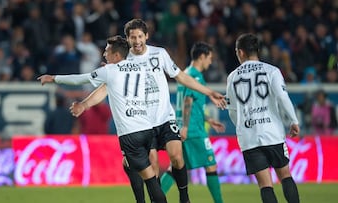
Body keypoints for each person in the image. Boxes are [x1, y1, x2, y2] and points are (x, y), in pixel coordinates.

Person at [70, 19, 226, 203]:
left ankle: (184, 197)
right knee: (153, 163)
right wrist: (85, 104)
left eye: (140, 36)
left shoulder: (159, 54)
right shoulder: (123, 60)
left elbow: (181, 76)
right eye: (132, 37)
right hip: (143, 122)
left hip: (165, 117)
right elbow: (105, 88)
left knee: (176, 156)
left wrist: (209, 92)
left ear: (146, 36)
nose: (136, 41)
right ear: (127, 39)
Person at [38, 35, 167, 203]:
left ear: (116, 55)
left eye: (107, 51)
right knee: (129, 164)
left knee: (150, 179)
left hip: (130, 133)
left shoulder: (110, 71)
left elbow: (80, 79)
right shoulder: (141, 68)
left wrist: (53, 78)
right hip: (147, 128)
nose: (104, 54)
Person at [226, 33, 300, 203]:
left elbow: (232, 110)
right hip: (272, 132)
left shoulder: (232, 77)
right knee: (285, 175)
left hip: (249, 137)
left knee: (265, 184)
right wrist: (293, 120)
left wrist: (242, 127)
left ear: (241, 52)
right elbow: (282, 97)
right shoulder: (271, 71)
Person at [159, 42, 225, 203]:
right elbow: (188, 101)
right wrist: (187, 127)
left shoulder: (186, 73)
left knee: (175, 168)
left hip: (185, 126)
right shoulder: (195, 76)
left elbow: (192, 104)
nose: (210, 62)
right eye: (209, 58)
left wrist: (208, 119)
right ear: (201, 57)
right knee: (211, 165)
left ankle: (156, 198)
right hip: (193, 130)